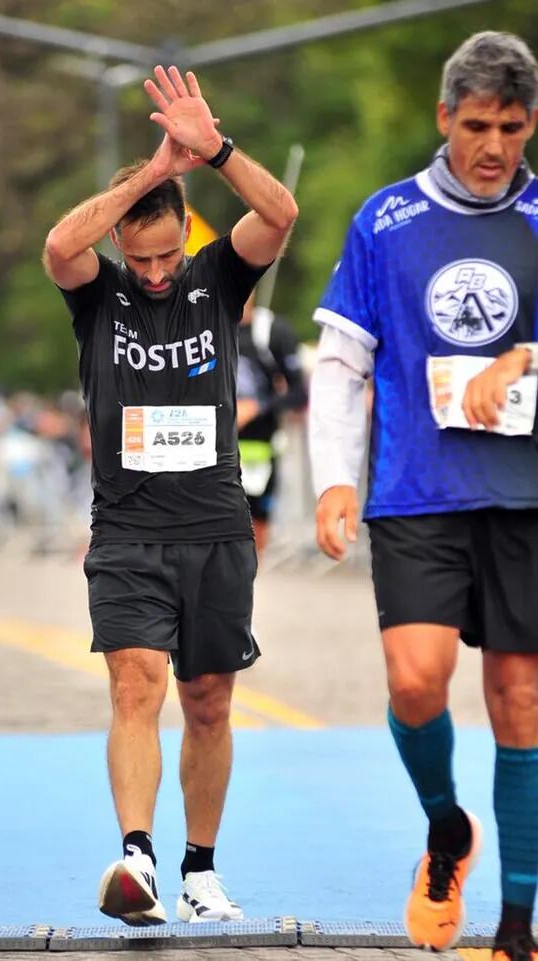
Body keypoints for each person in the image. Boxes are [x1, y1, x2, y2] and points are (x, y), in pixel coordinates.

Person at [43, 64, 298, 926]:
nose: (154, 272)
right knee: (135, 685)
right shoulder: (100, 293)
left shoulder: (217, 278)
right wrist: (151, 171)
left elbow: (281, 215)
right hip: (126, 532)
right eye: (140, 257)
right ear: (122, 244)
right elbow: (58, 246)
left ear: (187, 236)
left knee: (209, 701)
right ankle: (137, 858)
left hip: (216, 527)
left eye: (166, 255)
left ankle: (200, 871)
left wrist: (214, 151)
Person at [309, 32, 538, 961]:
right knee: (414, 680)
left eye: (511, 128)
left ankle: (517, 924)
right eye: (477, 126)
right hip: (417, 491)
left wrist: (523, 358)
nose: (493, 147)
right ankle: (446, 827)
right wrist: (334, 477)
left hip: (524, 497)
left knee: (520, 697)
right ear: (444, 118)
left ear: (531, 125)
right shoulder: (385, 219)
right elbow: (341, 361)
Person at [237, 295, 307, 554]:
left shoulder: (272, 332)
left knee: (255, 521)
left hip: (259, 448)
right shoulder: (199, 325)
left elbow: (299, 393)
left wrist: (257, 406)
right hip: (209, 445)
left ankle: (251, 576)